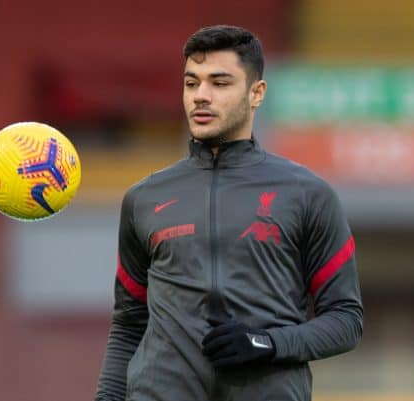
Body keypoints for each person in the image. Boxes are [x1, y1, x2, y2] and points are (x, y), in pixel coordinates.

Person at [95, 25, 363, 401]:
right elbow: (128, 324)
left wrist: (266, 343)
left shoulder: (308, 194)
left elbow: (346, 321)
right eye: (192, 83)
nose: (200, 96)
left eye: (219, 83)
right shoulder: (143, 198)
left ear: (257, 93)